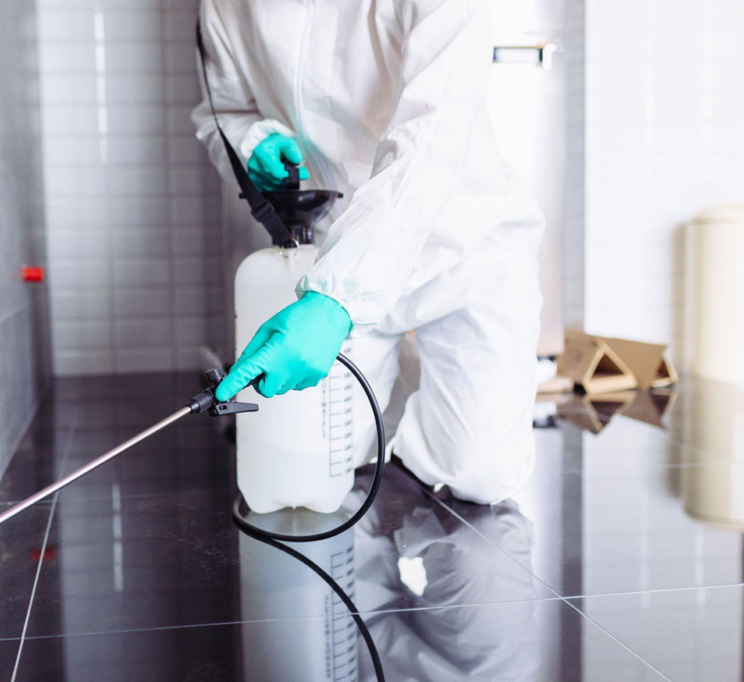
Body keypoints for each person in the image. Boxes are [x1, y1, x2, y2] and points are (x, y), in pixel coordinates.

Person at [192, 0, 545, 504]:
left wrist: (339, 297)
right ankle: (396, 378)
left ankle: (421, 382)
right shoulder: (224, 6)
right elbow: (223, 111)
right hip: (333, 246)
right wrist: (253, 143)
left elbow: (433, 134)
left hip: (463, 245)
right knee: (331, 462)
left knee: (479, 471)